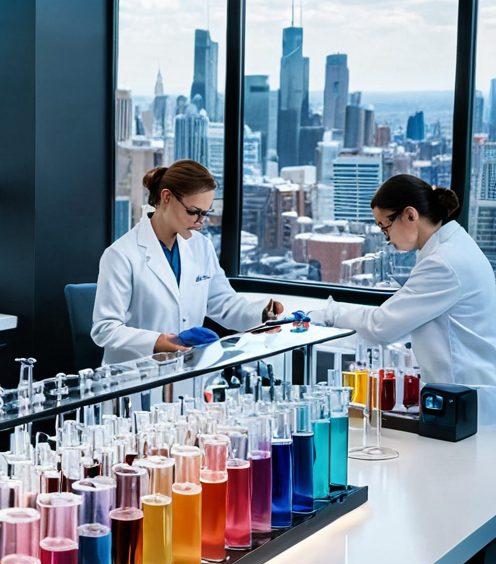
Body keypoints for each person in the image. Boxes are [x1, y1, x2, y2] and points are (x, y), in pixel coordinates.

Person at [308, 174, 496, 425]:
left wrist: (329, 314)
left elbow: (381, 326)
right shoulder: (453, 247)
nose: (386, 237)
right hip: (464, 394)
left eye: (384, 226)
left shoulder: (443, 262)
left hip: (464, 398)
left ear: (410, 215)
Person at [91, 160, 282, 365]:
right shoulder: (121, 255)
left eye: (205, 213)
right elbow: (105, 329)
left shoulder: (201, 247)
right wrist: (159, 341)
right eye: (193, 212)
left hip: (188, 372)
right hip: (135, 378)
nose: (200, 222)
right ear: (166, 197)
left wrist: (262, 314)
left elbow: (223, 303)